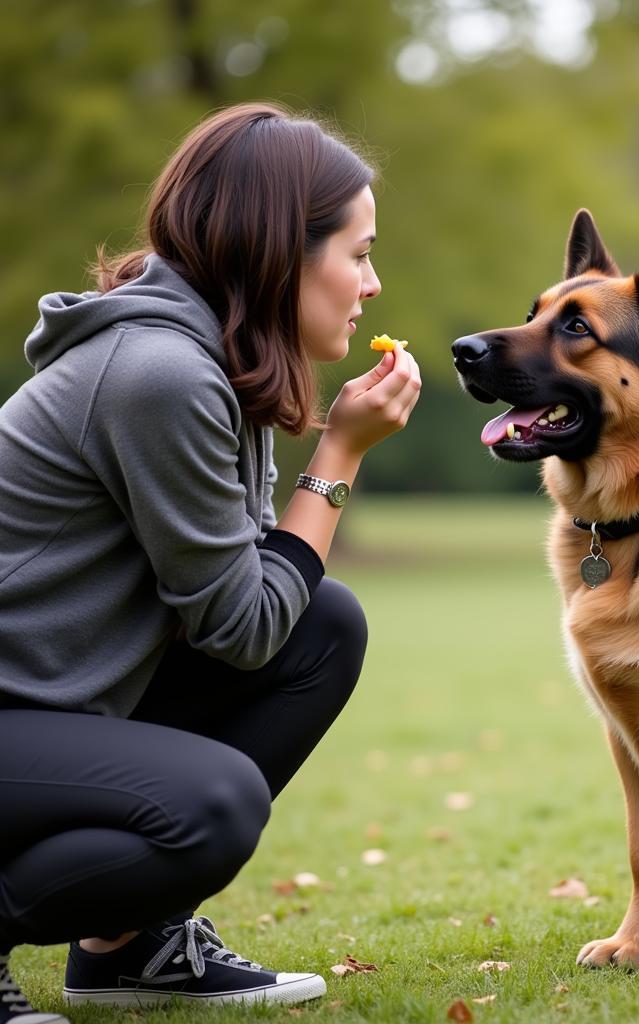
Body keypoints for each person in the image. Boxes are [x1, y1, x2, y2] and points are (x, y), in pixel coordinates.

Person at [0, 102, 421, 1022]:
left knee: (325, 626)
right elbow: (240, 629)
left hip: (47, 705)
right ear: (280, 253)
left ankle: (132, 946)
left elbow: (260, 609)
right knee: (213, 804)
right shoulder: (160, 374)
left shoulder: (213, 362)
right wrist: (339, 455)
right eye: (358, 253)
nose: (373, 283)